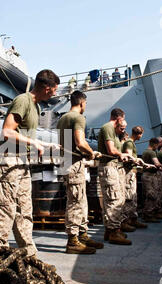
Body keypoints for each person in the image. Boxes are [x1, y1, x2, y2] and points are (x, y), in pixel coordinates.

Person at [0, 69, 60, 257]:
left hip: (21, 163)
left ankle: (29, 257)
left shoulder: (35, 106)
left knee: (24, 213)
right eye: (54, 90)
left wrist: (45, 143)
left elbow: (24, 135)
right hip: (7, 163)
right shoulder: (23, 101)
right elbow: (7, 132)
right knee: (3, 213)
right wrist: (34, 142)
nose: (55, 94)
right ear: (46, 87)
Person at [57, 91, 104, 254]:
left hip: (68, 162)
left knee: (81, 201)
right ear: (82, 102)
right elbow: (80, 142)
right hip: (74, 165)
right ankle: (72, 241)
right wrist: (91, 153)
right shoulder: (78, 118)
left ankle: (82, 235)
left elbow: (67, 144)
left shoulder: (62, 118)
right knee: (75, 202)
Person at [97, 108, 132, 245]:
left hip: (114, 167)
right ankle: (114, 231)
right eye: (122, 120)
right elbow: (111, 150)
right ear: (119, 118)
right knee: (114, 199)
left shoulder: (114, 131)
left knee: (116, 198)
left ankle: (110, 230)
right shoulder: (108, 128)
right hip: (109, 168)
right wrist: (120, 154)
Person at [121, 126, 148, 229]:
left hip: (132, 173)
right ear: (139, 134)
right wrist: (138, 161)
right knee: (128, 197)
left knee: (133, 197)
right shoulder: (129, 143)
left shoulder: (130, 143)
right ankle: (126, 220)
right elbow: (128, 157)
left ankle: (133, 219)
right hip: (128, 173)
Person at [141, 138, 162, 222]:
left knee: (150, 195)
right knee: (152, 195)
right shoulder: (151, 152)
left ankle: (149, 213)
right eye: (157, 145)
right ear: (155, 144)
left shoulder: (145, 152)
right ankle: (148, 214)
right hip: (150, 176)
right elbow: (157, 163)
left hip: (147, 175)